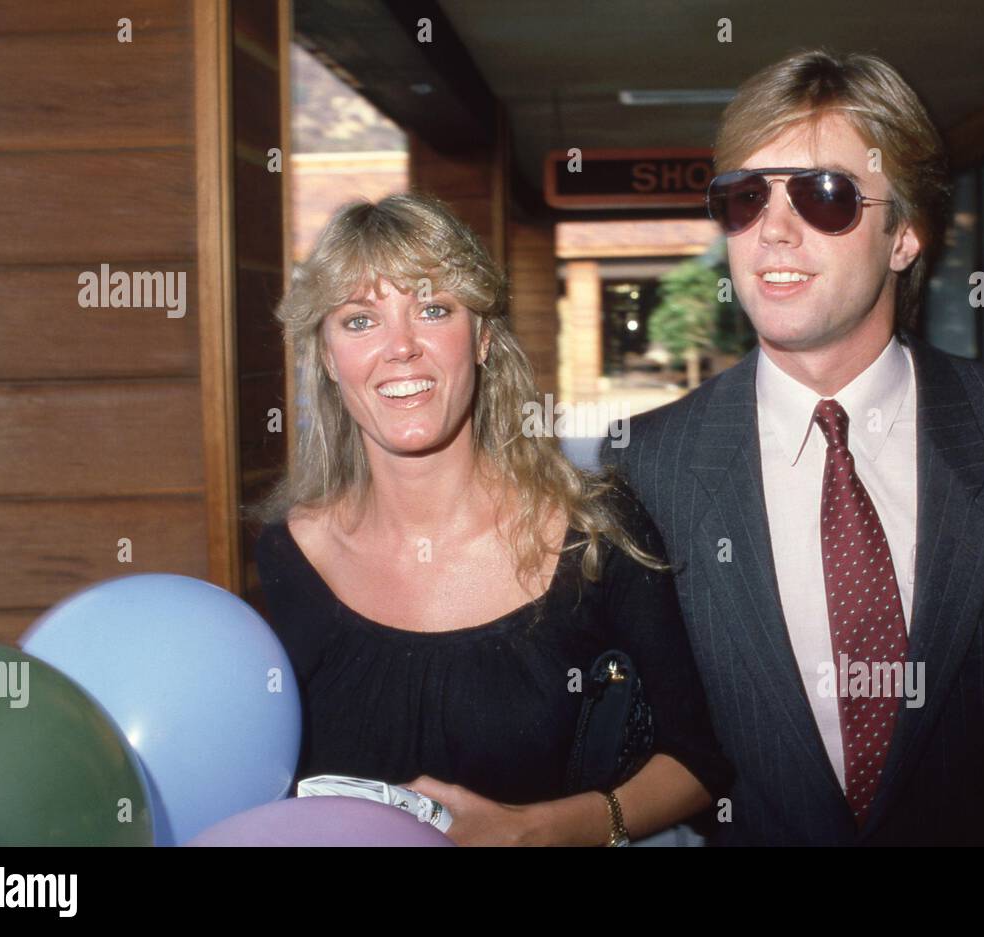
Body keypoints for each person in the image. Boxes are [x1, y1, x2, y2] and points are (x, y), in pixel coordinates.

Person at [600, 48, 984, 845]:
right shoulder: (652, 463)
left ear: (904, 235)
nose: (772, 230)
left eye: (823, 196)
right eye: (746, 197)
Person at [251, 192, 732, 846]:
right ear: (329, 358)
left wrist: (540, 830)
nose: (401, 348)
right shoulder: (288, 553)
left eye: (432, 309)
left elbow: (697, 759)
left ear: (480, 339)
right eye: (360, 320)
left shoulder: (593, 535)